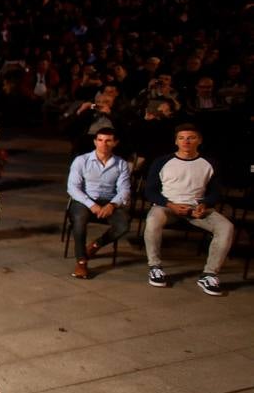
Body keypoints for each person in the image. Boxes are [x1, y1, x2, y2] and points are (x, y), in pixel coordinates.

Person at [142, 125, 233, 295]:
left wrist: (204, 204)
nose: (186, 141)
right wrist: (170, 204)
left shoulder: (209, 163)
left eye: (191, 137)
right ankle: (155, 267)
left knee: (226, 227)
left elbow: (216, 192)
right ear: (176, 141)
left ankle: (209, 274)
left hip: (197, 207)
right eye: (182, 138)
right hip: (167, 206)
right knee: (153, 221)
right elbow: (150, 191)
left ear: (199, 140)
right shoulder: (162, 161)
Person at [66, 128, 131, 279]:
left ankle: (96, 245)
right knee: (79, 221)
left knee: (124, 225)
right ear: (95, 142)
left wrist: (112, 205)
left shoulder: (121, 164)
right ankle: (81, 261)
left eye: (108, 140)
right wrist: (92, 205)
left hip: (109, 200)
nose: (104, 144)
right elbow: (73, 188)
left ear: (115, 143)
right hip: (85, 199)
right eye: (100, 140)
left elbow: (124, 190)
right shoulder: (82, 160)